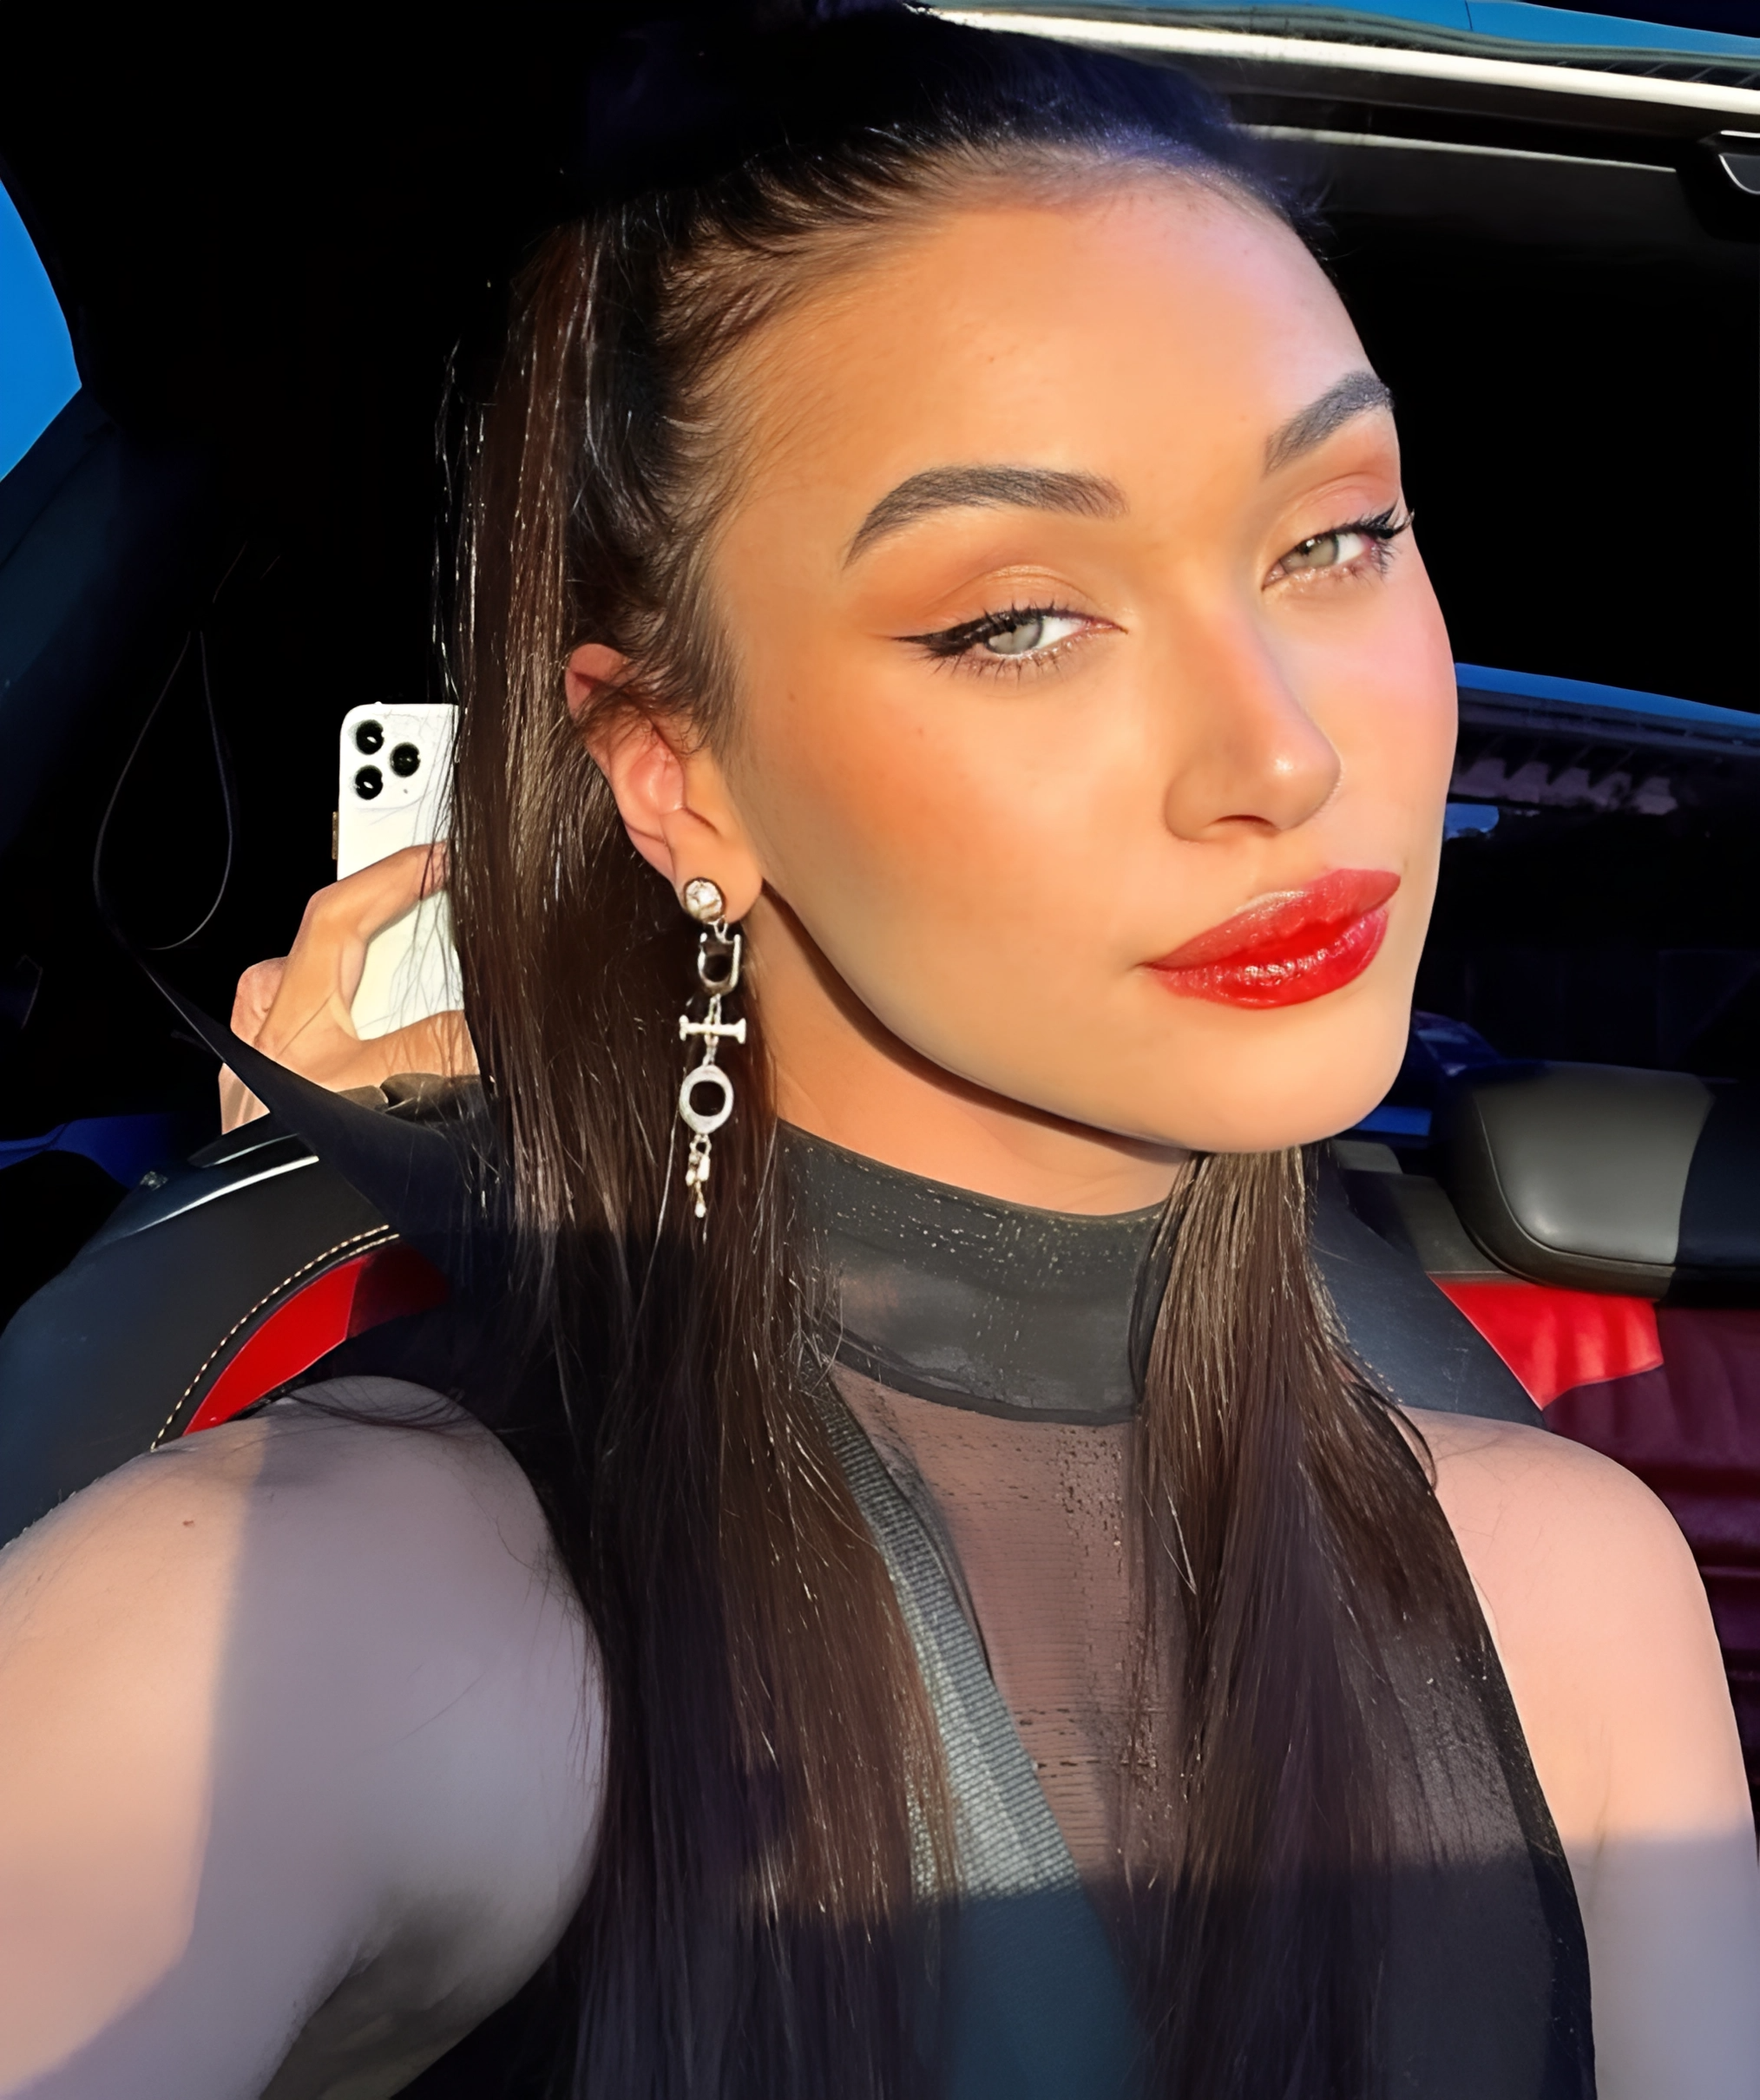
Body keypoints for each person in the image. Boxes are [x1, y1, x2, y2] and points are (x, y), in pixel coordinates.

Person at [2, 8, 1757, 2097]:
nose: (1286, 754)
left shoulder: (1582, 1597)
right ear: (674, 774)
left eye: (1334, 534)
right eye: (1017, 618)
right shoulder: (318, 1619)